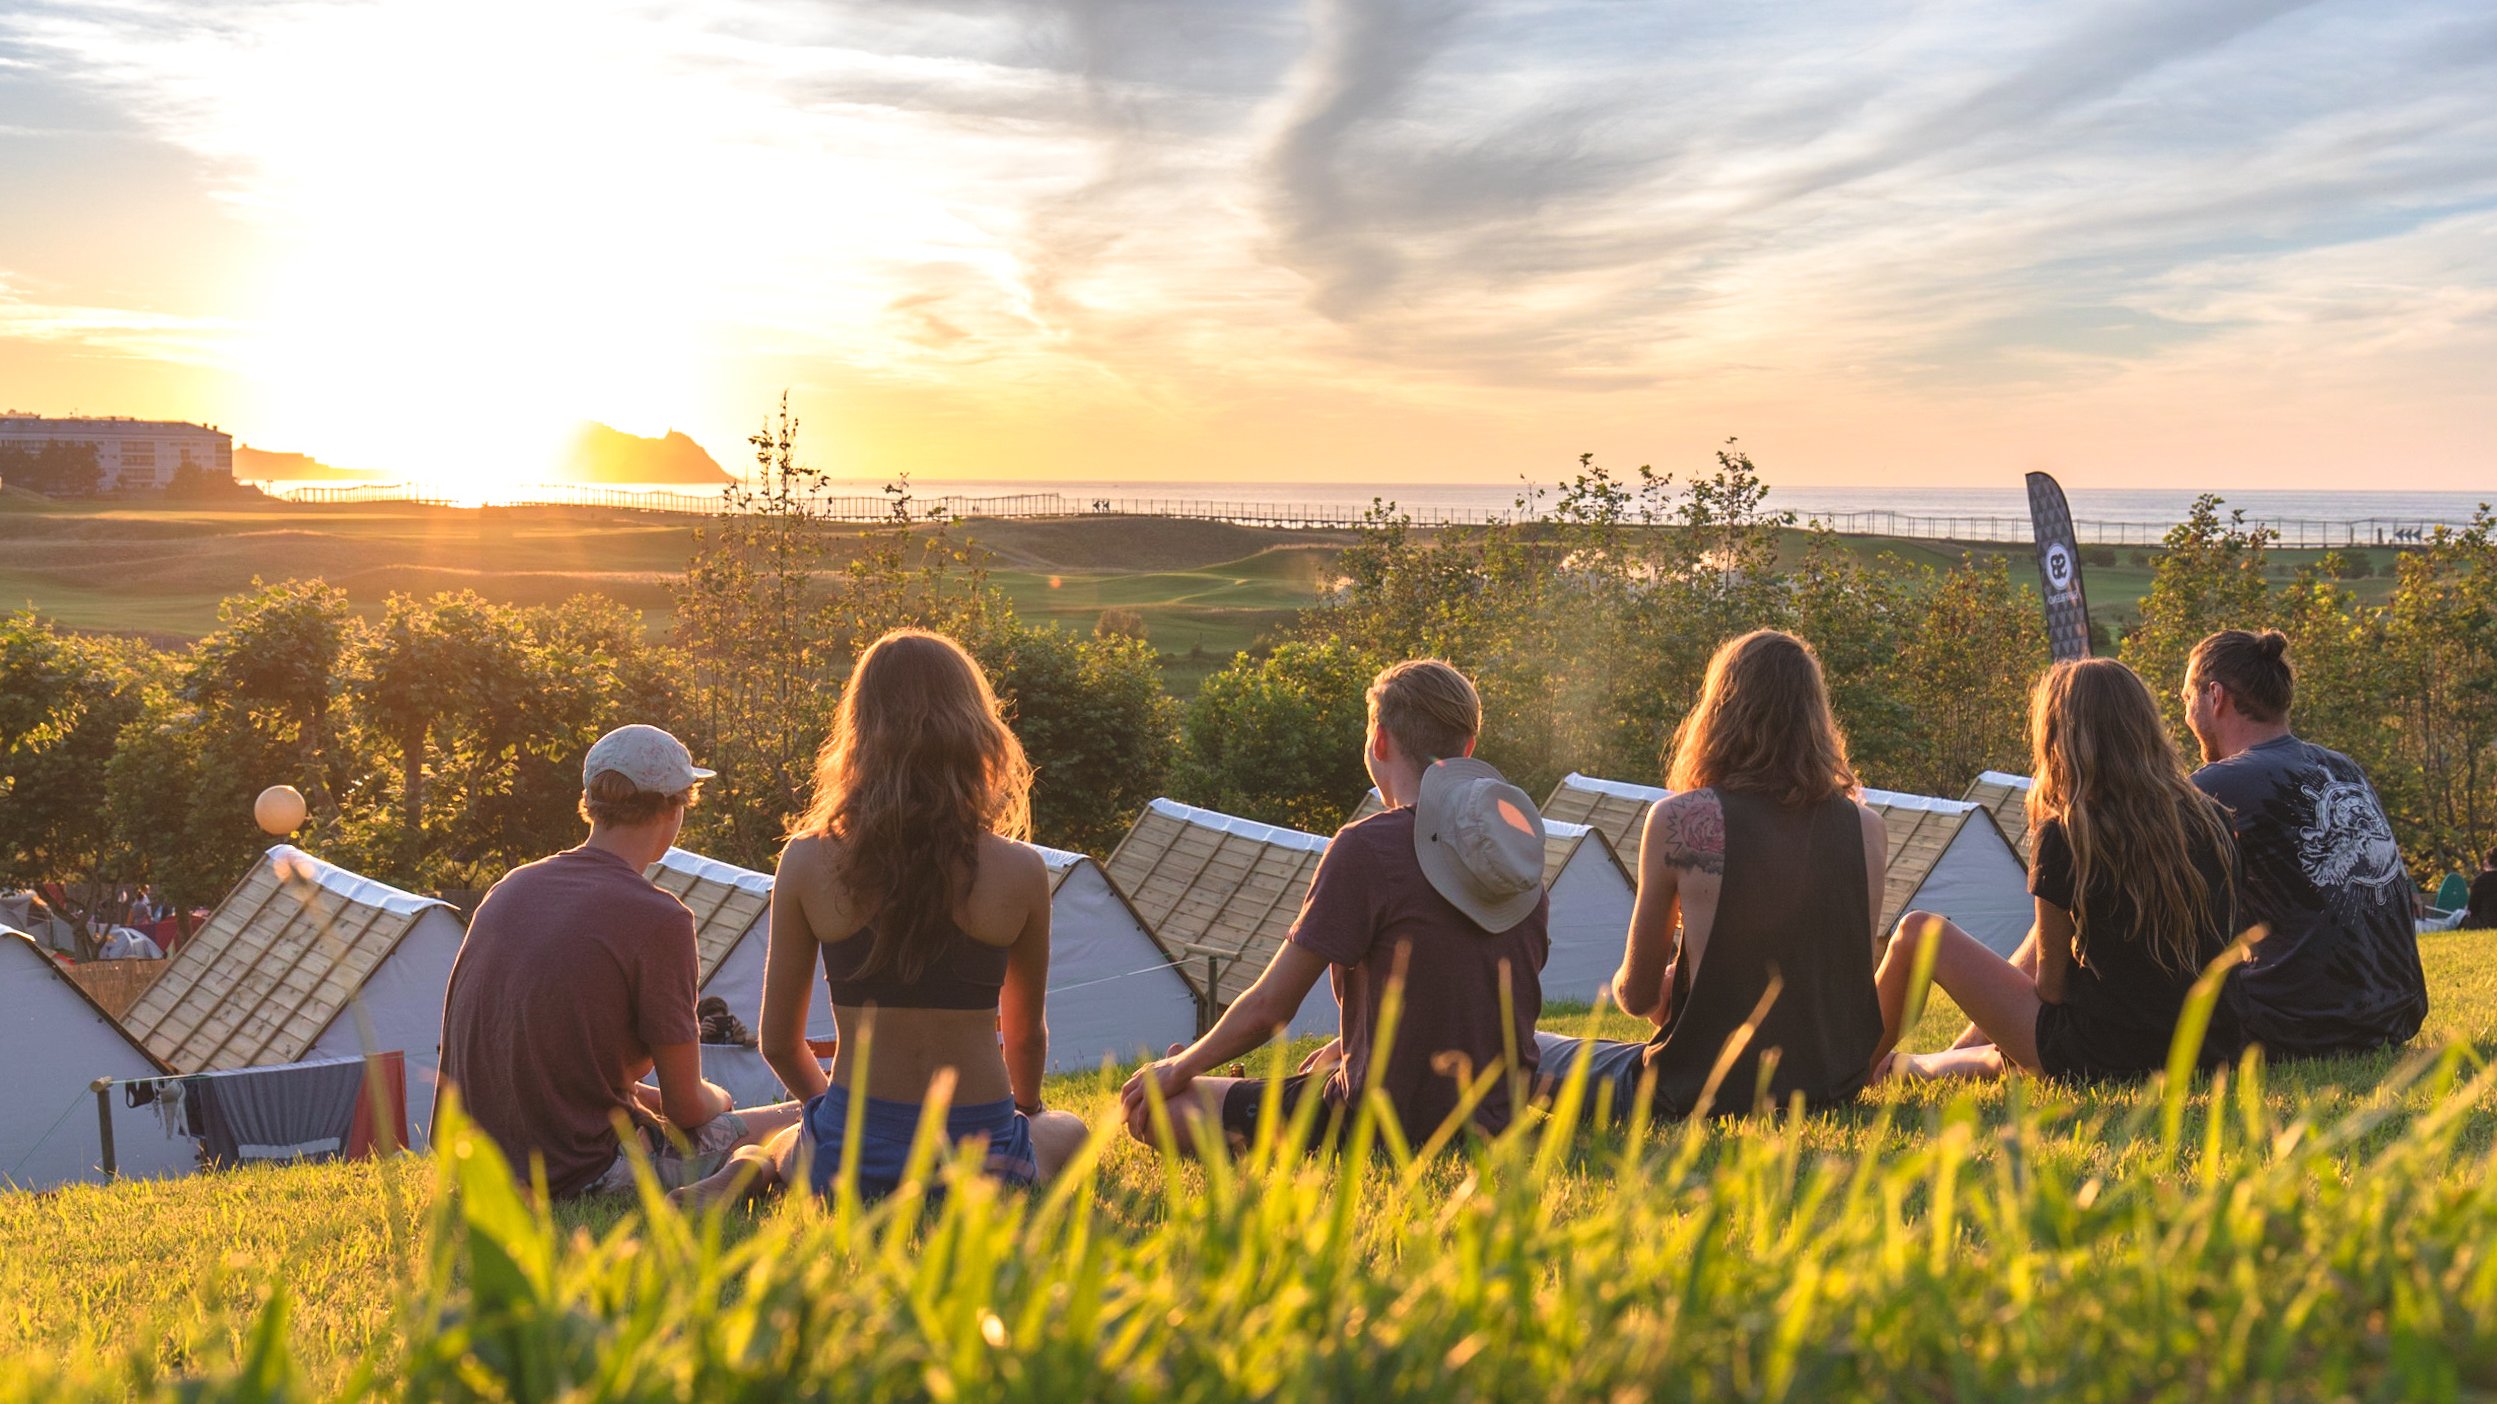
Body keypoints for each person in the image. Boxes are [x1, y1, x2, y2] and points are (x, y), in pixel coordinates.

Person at [674, 630, 1087, 1208]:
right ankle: (782, 1156)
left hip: (851, 1150)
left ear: (859, 734)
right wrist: (1027, 1108)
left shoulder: (806, 858)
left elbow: (777, 1042)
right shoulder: (1021, 870)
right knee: (1070, 1131)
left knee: (787, 1139)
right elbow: (1024, 1037)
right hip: (979, 1151)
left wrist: (833, 1119)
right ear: (976, 732)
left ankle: (753, 1168)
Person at [1118, 659, 1549, 1157]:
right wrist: (1349, 1052)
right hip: (1499, 1119)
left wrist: (1181, 1067)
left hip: (1382, 1127)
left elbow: (1269, 1009)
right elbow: (1463, 990)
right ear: (1467, 749)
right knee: (1272, 1076)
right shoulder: (1518, 849)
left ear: (1380, 741)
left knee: (1156, 1108)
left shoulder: (1367, 848)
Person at [1534, 630, 1890, 1119]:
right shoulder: (1866, 827)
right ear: (1816, 718)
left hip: (1701, 1089)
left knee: (1515, 1048)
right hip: (1830, 1084)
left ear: (1718, 711)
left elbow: (1636, 997)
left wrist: (1663, 982)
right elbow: (1840, 975)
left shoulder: (1680, 820)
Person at [439, 724, 802, 1197]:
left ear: (589, 803)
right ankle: (737, 1173)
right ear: (676, 808)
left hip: (474, 1168)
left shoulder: (509, 889)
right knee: (803, 1118)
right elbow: (688, 1108)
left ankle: (738, 1171)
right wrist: (722, 1097)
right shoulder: (659, 918)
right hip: (577, 1171)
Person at [1873, 658, 2245, 1082]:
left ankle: (1851, 1073)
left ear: (2059, 735)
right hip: (2210, 1050)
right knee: (2001, 1050)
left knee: (1918, 932)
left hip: (2106, 1055)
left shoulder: (2071, 831)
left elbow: (2051, 989)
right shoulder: (2213, 820)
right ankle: (1908, 1067)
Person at [2184, 629, 2427, 1057]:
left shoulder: (2218, 783)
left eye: (2187, 700)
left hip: (2302, 1027)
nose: (2186, 716)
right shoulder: (2344, 768)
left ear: (2214, 696)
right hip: (2396, 1013)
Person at [2465, 847, 2497, 931]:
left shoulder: (2481, 881)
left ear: (2488, 862)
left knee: (2457, 915)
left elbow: (2472, 909)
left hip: (2485, 923)